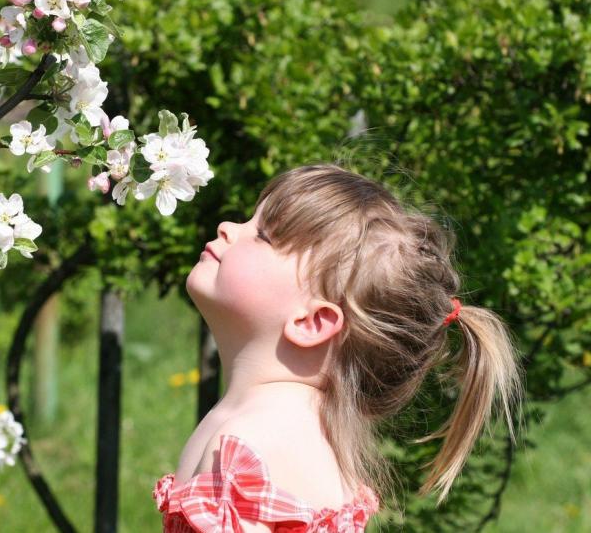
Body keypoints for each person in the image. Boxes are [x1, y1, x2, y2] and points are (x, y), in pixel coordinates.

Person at [152, 163, 524, 532]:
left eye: (263, 236)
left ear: (311, 322)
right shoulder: (269, 424)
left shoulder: (255, 440)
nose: (228, 227)